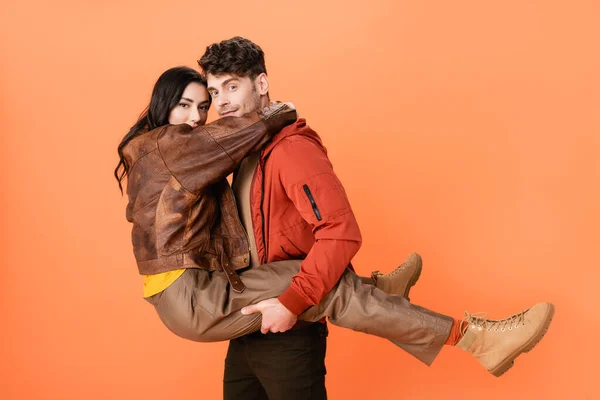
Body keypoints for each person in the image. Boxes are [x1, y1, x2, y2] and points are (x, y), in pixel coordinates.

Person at [116, 59, 553, 399]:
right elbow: (231, 136)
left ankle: (376, 291)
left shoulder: (196, 152)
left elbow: (332, 230)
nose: (200, 115)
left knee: (318, 283)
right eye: (188, 103)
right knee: (330, 288)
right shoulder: (170, 148)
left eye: (208, 101)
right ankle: (471, 338)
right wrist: (278, 113)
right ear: (162, 106)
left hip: (208, 296)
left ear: (260, 83)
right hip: (193, 295)